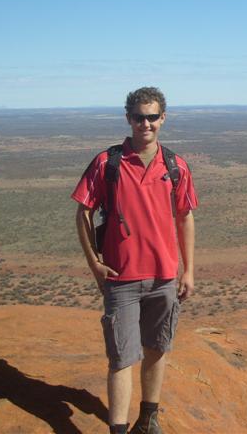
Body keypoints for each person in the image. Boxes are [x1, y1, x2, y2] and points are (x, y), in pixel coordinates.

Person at [73, 87, 197, 434]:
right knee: (122, 358)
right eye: (139, 117)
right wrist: (95, 263)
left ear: (163, 118)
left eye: (153, 117)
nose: (146, 123)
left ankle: (149, 417)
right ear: (128, 119)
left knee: (157, 349)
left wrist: (189, 271)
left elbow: (185, 216)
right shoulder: (107, 163)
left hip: (163, 277)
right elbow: (82, 212)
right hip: (122, 278)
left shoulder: (175, 166)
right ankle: (118, 428)